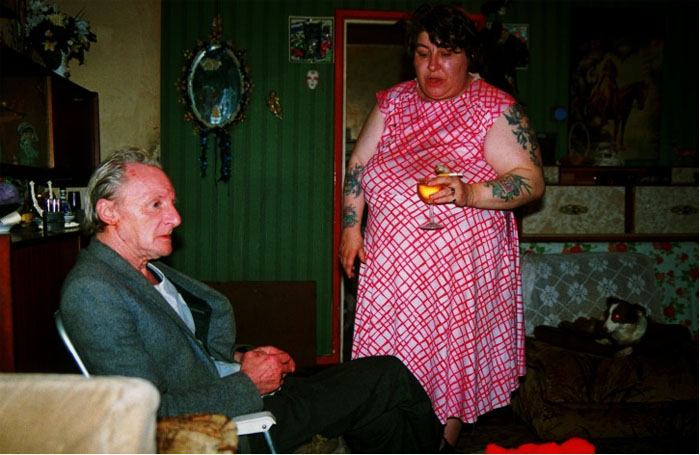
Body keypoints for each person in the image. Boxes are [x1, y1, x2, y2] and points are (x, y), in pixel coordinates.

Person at [60, 147, 443, 453]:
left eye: (172, 203)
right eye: (156, 204)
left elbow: (183, 344)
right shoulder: (94, 291)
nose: (175, 218)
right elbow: (147, 414)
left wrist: (242, 357)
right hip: (223, 427)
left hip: (228, 389)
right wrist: (248, 383)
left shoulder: (144, 269)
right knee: (387, 374)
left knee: (382, 419)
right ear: (109, 212)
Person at [338, 4, 544, 451]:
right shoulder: (393, 102)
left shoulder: (495, 107)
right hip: (391, 272)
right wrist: (351, 229)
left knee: (447, 368)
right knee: (390, 363)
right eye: (423, 53)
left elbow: (530, 181)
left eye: (446, 53)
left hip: (458, 276)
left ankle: (438, 446)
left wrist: (469, 192)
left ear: (469, 56)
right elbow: (358, 165)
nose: (433, 65)